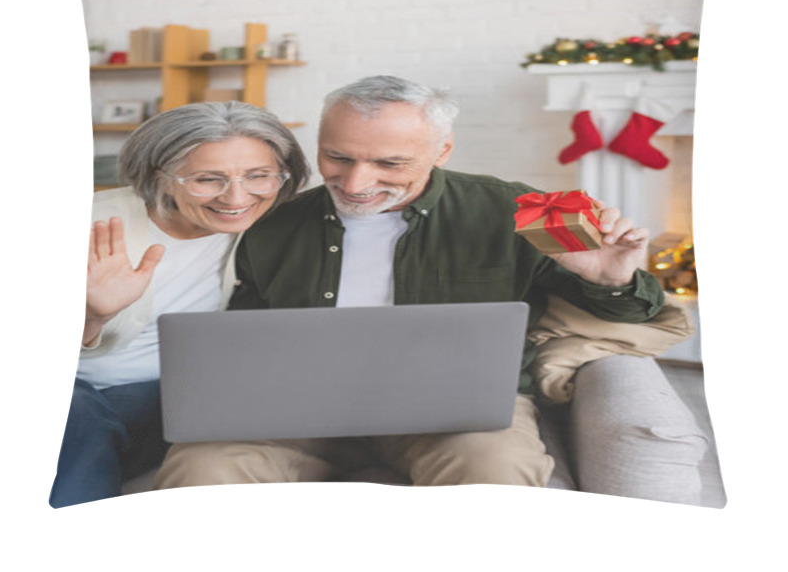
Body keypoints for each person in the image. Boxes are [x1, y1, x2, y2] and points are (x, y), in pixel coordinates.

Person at [153, 75, 665, 490]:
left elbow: (630, 318)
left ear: (442, 151)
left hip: (456, 415)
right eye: (338, 157)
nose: (355, 183)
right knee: (201, 468)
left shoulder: (510, 210)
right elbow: (239, 329)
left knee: (493, 472)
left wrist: (613, 280)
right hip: (295, 411)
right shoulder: (272, 220)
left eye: (390, 163)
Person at [49, 101, 310, 507]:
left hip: (167, 392)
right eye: (208, 179)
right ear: (162, 178)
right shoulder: (87, 226)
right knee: (77, 417)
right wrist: (91, 316)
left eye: (259, 176)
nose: (236, 197)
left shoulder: (271, 226)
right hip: (65, 388)